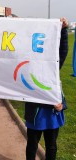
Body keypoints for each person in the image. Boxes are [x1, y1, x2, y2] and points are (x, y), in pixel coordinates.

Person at [24, 17, 68, 160]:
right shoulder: (26, 70)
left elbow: (63, 51)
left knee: (51, 145)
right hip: (35, 114)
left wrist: (64, 30)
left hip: (52, 113)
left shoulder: (53, 66)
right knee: (32, 145)